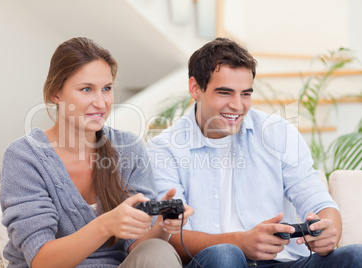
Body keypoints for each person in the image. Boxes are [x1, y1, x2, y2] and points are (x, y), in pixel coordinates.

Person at [147, 37, 362, 267]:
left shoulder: (278, 133)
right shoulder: (165, 148)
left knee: (356, 255)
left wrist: (329, 229)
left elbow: (318, 201)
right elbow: (172, 236)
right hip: (217, 262)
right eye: (225, 93)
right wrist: (240, 242)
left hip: (284, 262)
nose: (238, 106)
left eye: (246, 94)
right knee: (225, 255)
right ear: (195, 88)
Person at [0, 37, 193, 268]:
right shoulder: (25, 157)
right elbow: (42, 261)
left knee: (158, 248)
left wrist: (163, 224)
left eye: (107, 89)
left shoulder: (128, 148)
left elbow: (137, 248)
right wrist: (106, 225)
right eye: (86, 90)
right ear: (55, 94)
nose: (101, 103)